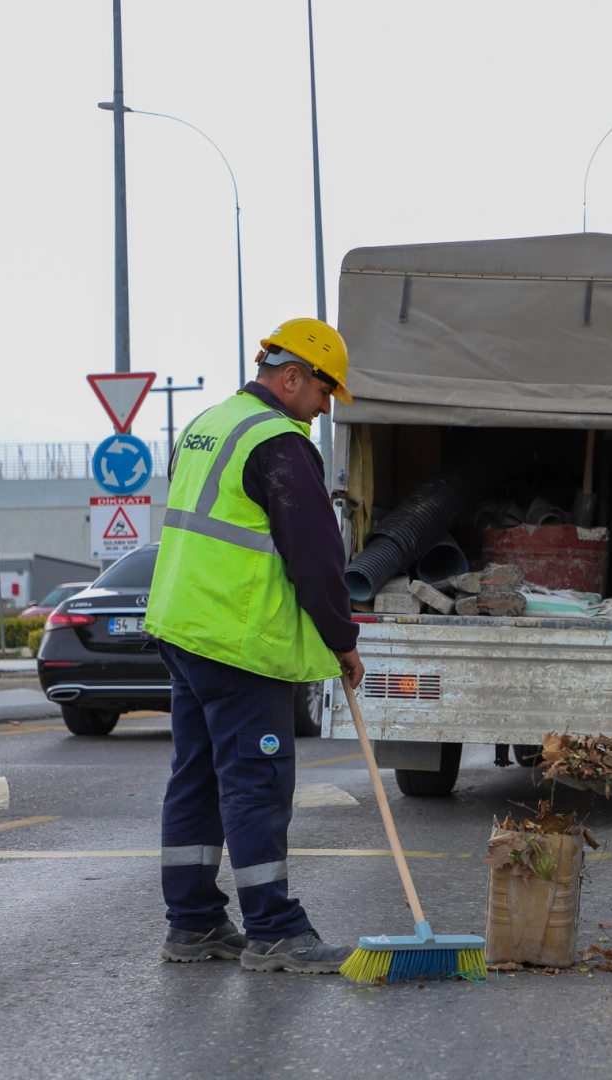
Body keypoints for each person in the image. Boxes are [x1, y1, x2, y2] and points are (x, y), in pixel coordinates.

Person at [145, 317, 367, 972]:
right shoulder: (278, 443)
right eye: (325, 391)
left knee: (197, 779)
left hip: (185, 630)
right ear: (292, 377)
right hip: (237, 642)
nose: (326, 407)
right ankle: (272, 930)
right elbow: (316, 555)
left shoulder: (209, 424)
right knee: (256, 783)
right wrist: (341, 639)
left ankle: (192, 925)